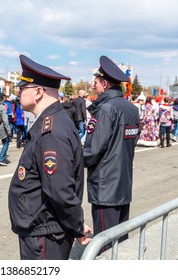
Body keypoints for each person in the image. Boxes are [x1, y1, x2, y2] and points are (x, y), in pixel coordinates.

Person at [8, 54, 91, 260]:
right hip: (41, 230)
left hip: (44, 235)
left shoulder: (51, 129)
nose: (18, 93)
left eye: (22, 88)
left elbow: (60, 189)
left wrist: (77, 226)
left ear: (38, 92)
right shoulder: (50, 122)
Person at [84, 55, 140, 253]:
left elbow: (92, 150)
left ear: (105, 84)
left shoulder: (106, 110)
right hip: (123, 183)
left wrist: (72, 158)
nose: (93, 86)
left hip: (105, 187)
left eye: (96, 82)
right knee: (120, 241)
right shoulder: (131, 109)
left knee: (104, 244)